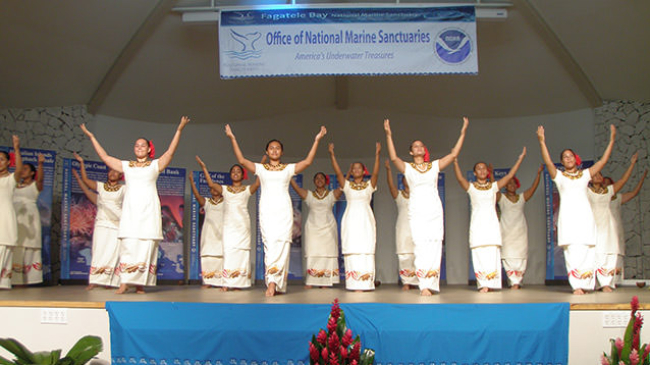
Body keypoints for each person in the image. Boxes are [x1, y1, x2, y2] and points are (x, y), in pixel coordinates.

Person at [80, 116, 190, 294]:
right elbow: (105, 157)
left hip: (148, 210)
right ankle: (125, 281)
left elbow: (170, 152)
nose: (139, 148)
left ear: (148, 149)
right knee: (129, 244)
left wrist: (179, 130)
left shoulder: (154, 166)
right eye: (136, 145)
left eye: (142, 145)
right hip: (131, 212)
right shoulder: (127, 166)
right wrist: (92, 137)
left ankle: (140, 283)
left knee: (146, 246)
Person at [225, 124, 326, 296]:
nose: (274, 150)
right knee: (270, 245)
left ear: (281, 152)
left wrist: (317, 140)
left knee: (282, 245)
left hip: (284, 211)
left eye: (277, 148)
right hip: (267, 210)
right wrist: (233, 138)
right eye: (271, 148)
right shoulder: (261, 168)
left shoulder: (287, 169)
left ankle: (277, 283)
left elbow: (307, 162)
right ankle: (271, 281)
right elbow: (242, 160)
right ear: (267, 151)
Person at [384, 117, 468, 296]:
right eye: (415, 146)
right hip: (417, 210)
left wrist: (463, 132)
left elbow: (453, 155)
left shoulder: (434, 166)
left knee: (435, 243)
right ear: (411, 152)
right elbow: (393, 157)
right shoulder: (407, 168)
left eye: (421, 145)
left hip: (434, 209)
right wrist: (389, 134)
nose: (419, 148)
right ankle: (423, 284)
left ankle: (431, 282)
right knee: (420, 245)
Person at [537, 124, 616, 295]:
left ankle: (588, 285)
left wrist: (611, 140)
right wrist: (542, 142)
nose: (568, 158)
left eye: (571, 155)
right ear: (563, 161)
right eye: (565, 157)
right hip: (568, 219)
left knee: (588, 250)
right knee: (573, 252)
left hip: (586, 218)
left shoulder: (586, 174)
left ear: (576, 158)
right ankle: (577, 286)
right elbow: (548, 162)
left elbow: (602, 161)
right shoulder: (559, 176)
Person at [453, 148, 526, 293]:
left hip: (492, 227)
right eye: (478, 169)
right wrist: (455, 162)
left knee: (492, 255)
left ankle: (492, 283)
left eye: (484, 168)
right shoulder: (472, 187)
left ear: (488, 172)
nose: (481, 170)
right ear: (474, 173)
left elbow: (510, 175)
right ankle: (483, 284)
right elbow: (460, 179)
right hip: (478, 226)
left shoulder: (494, 187)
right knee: (480, 255)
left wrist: (520, 159)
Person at [195, 156, 260, 291]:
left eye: (238, 171)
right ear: (230, 175)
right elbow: (212, 185)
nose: (235, 173)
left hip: (242, 225)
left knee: (241, 253)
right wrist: (204, 168)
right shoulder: (224, 189)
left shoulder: (247, 190)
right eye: (233, 171)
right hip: (229, 225)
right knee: (229, 252)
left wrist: (261, 167)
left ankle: (240, 284)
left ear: (243, 175)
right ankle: (228, 282)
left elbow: (258, 183)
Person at [329, 142, 380, 292]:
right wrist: (332, 155)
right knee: (352, 248)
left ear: (364, 171)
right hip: (351, 219)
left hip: (365, 219)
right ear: (351, 171)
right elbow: (338, 173)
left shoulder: (370, 185)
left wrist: (377, 155)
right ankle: (354, 284)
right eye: (354, 168)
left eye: (360, 167)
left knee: (365, 249)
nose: (357, 169)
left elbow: (376, 174)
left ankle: (365, 283)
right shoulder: (347, 185)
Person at [72, 153, 125, 290]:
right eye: (111, 170)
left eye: (116, 172)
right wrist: (82, 163)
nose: (113, 173)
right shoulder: (101, 186)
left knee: (113, 252)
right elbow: (85, 180)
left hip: (116, 223)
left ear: (121, 176)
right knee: (98, 250)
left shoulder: (124, 189)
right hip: (102, 223)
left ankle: (111, 281)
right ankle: (94, 281)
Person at [588, 153, 637, 292]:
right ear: (590, 179)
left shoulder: (609, 191)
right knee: (596, 252)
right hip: (595, 225)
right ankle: (597, 283)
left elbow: (623, 180)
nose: (597, 176)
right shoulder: (587, 192)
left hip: (608, 224)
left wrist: (632, 164)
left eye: (599, 174)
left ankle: (606, 283)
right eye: (594, 174)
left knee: (610, 251)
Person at [290, 172, 342, 288]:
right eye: (317, 178)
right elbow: (297, 188)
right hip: (313, 228)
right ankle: (312, 280)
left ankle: (326, 282)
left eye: (322, 178)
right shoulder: (309, 195)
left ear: (326, 181)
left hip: (328, 228)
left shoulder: (331, 195)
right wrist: (289, 176)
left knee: (327, 253)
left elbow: (343, 186)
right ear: (314, 181)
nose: (319, 180)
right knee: (313, 252)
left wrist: (347, 175)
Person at [496, 164, 543, 289]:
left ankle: (518, 281)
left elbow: (533, 188)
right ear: (505, 185)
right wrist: (490, 175)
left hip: (520, 231)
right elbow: (493, 189)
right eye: (509, 183)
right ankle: (512, 281)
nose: (511, 185)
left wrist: (538, 174)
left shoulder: (521, 197)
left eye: (513, 183)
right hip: (506, 231)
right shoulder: (501, 198)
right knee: (507, 254)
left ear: (517, 185)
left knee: (520, 254)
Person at [605, 169, 647, 284]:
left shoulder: (617, 198)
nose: (606, 185)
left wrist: (643, 177)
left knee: (617, 254)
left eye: (608, 183)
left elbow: (633, 193)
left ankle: (615, 281)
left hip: (615, 231)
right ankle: (603, 282)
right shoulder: (596, 198)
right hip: (602, 231)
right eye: (604, 183)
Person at [189, 167, 225, 289]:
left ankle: (220, 281)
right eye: (212, 188)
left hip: (221, 232)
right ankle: (208, 281)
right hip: (208, 233)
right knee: (208, 256)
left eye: (216, 188)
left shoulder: (227, 202)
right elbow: (197, 195)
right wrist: (192, 182)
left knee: (220, 257)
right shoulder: (207, 202)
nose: (214, 190)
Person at [13, 153, 45, 286]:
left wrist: (41, 164)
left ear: (32, 173)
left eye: (25, 169)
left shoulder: (35, 186)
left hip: (30, 218)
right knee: (16, 246)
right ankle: (15, 279)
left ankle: (30, 279)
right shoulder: (14, 186)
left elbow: (41, 181)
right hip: (16, 218)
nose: (22, 171)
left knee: (30, 246)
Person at [384, 160, 417, 290]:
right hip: (403, 227)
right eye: (405, 178)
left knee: (417, 254)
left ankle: (419, 282)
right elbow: (390, 185)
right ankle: (407, 282)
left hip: (417, 227)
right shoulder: (399, 195)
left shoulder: (419, 195)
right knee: (404, 254)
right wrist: (388, 170)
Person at [0, 136, 23, 289]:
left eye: (1, 159)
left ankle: (4, 282)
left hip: (5, 218)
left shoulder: (10, 179)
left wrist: (16, 148)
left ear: (8, 162)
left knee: (4, 249)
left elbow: (19, 171)